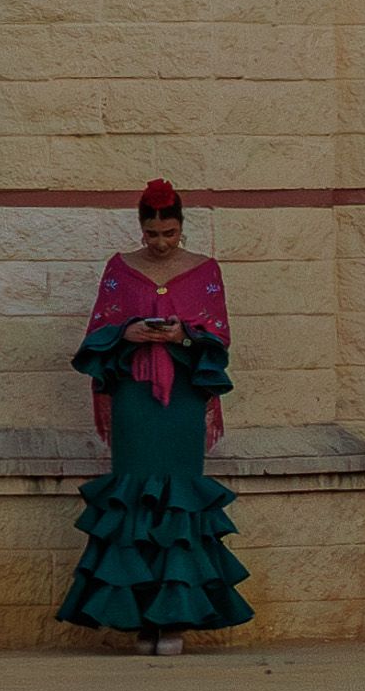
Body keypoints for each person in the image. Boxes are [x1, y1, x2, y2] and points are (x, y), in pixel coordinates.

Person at [63, 182, 246, 654]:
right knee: (134, 498)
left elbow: (219, 334)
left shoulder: (205, 270)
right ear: (139, 227)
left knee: (179, 499)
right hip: (135, 397)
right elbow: (98, 329)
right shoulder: (119, 269)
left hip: (182, 398)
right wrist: (130, 330)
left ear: (182, 226)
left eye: (168, 232)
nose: (160, 242)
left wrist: (184, 336)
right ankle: (142, 619)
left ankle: (174, 621)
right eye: (151, 233)